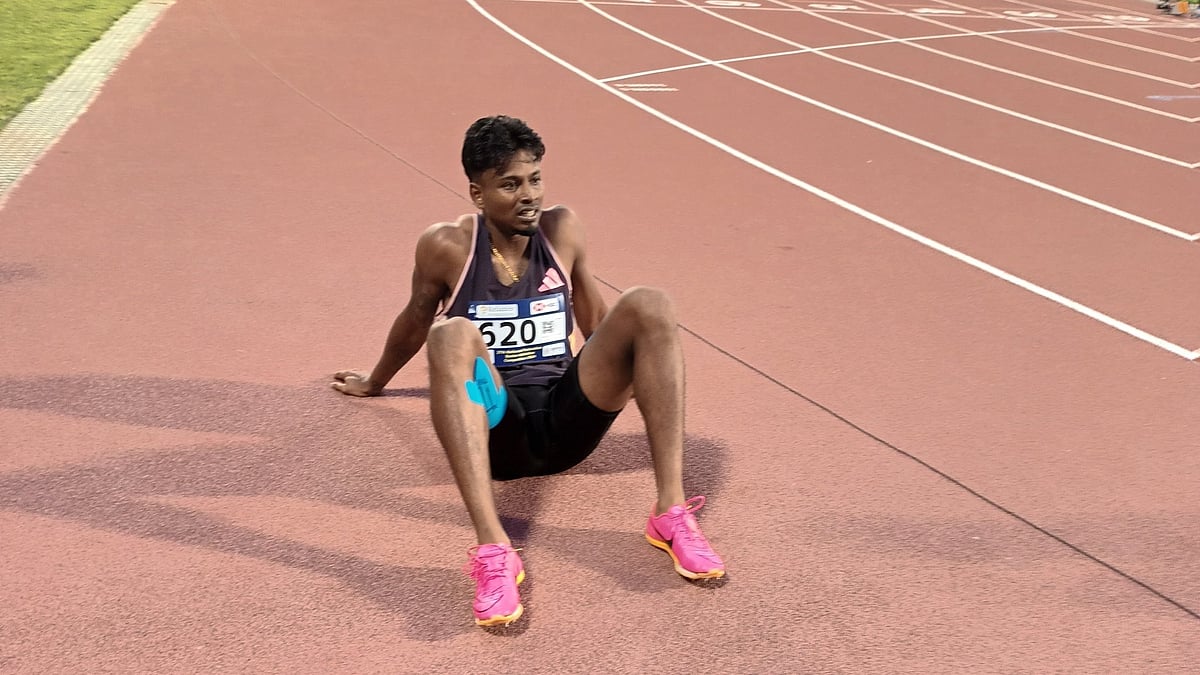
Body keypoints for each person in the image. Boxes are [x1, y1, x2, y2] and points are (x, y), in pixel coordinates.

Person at [331, 115, 724, 627]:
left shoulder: (563, 232)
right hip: (499, 430)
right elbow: (415, 318)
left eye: (535, 179)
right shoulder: (446, 247)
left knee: (650, 303)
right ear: (478, 192)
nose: (529, 195)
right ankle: (494, 551)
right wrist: (376, 379)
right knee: (449, 334)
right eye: (510, 184)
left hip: (568, 420)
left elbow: (597, 324)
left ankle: (670, 513)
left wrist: (634, 374)